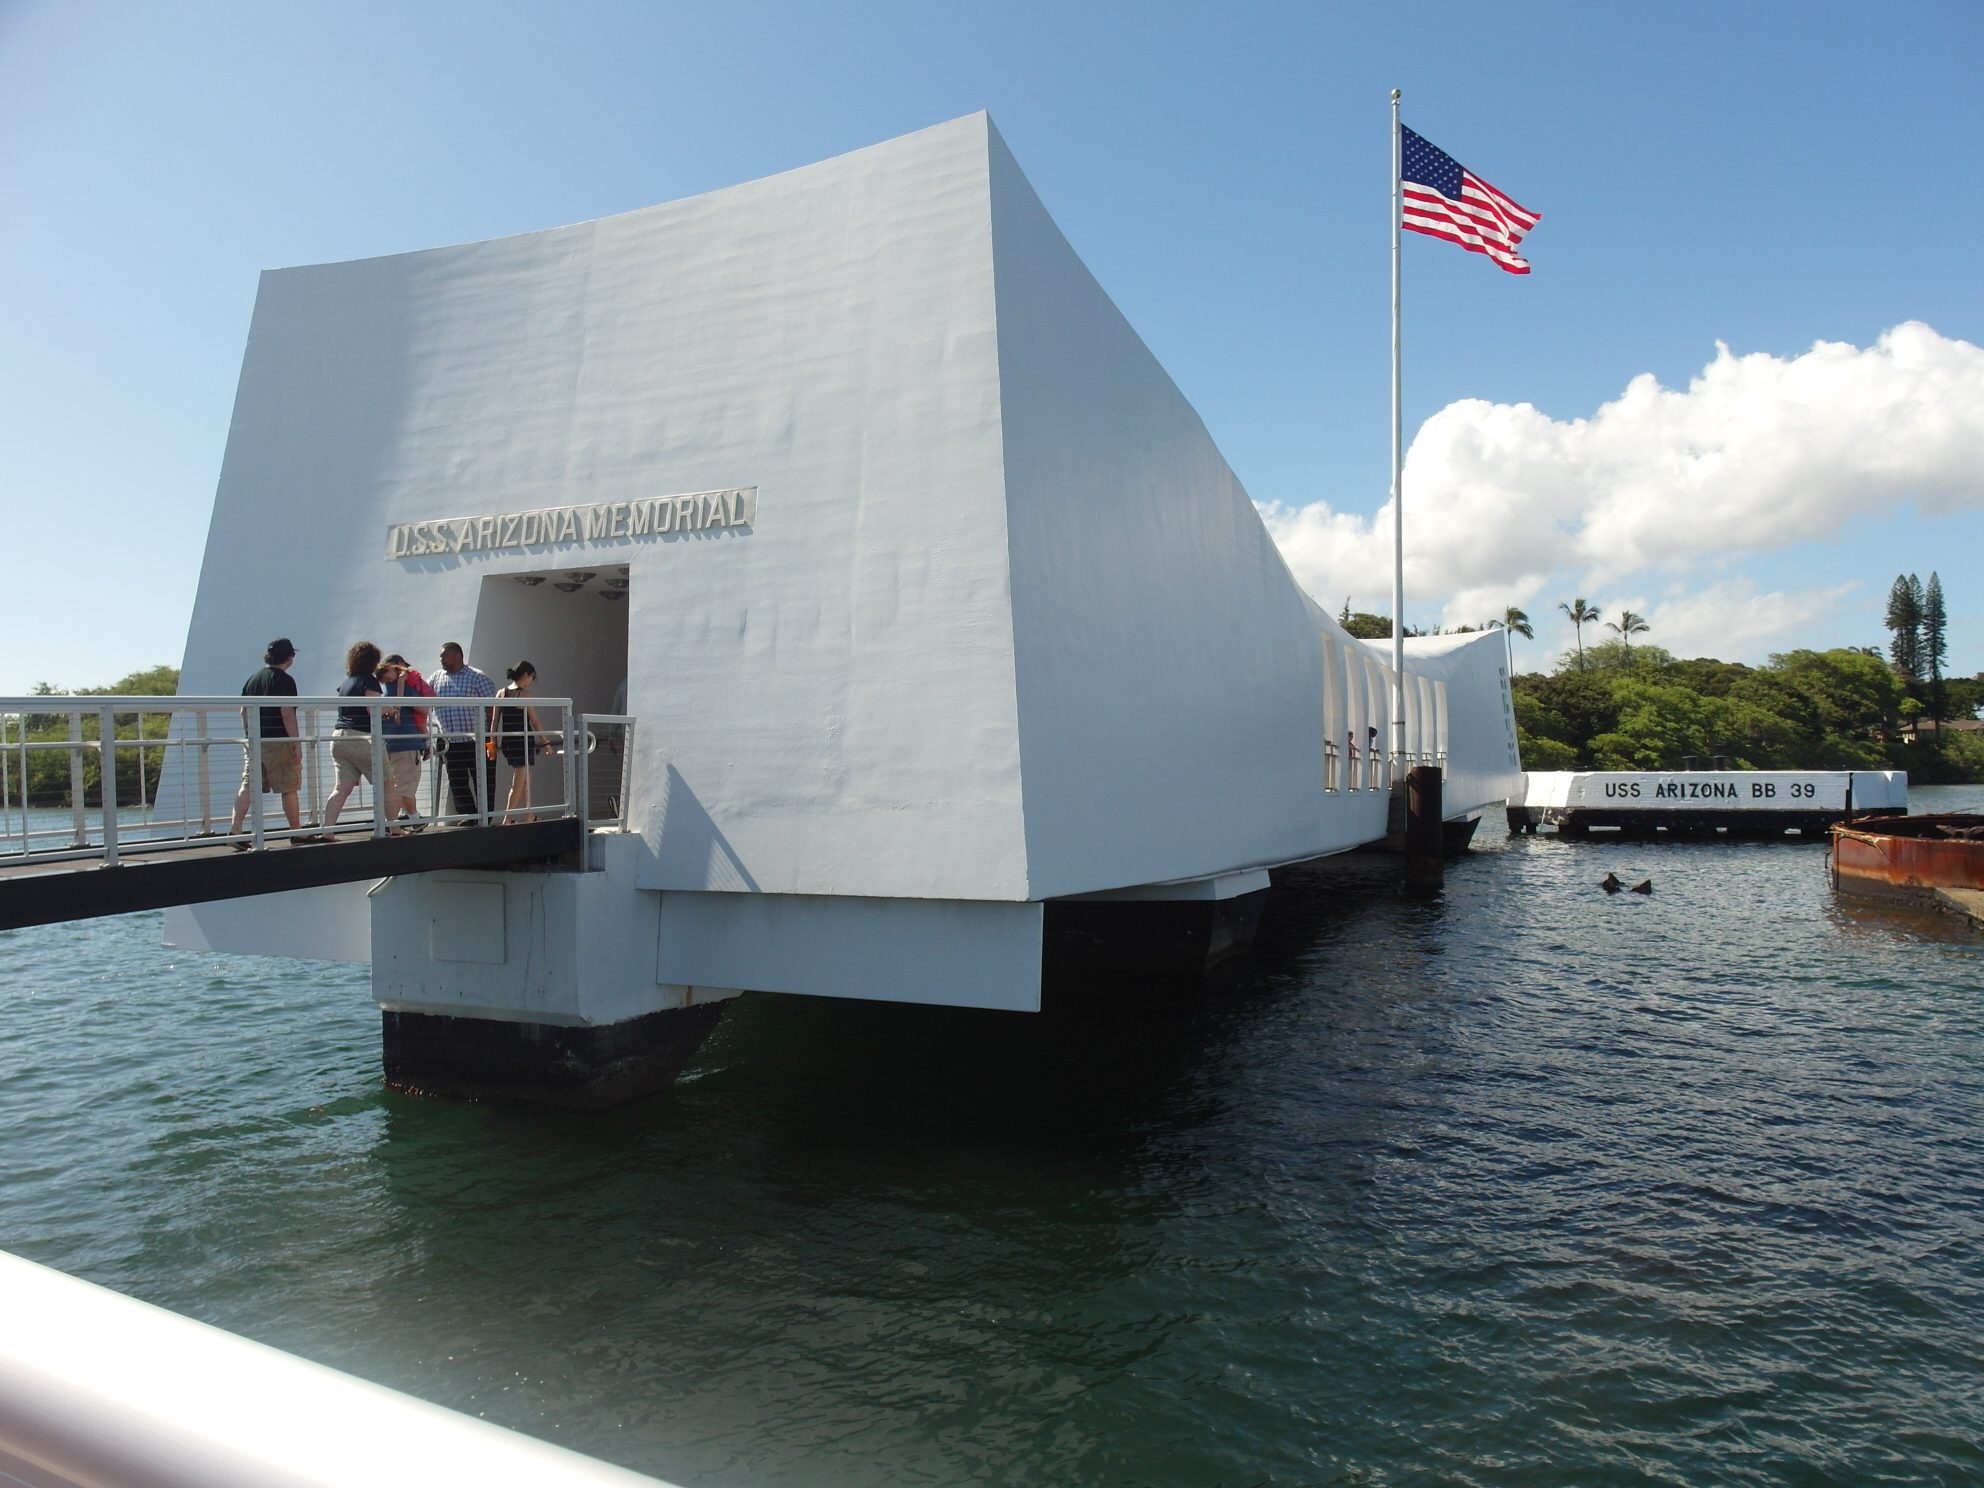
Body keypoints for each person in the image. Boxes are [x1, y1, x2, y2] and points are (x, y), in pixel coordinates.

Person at [227, 637, 307, 848]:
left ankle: (235, 830)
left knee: (249, 786)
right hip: (278, 741)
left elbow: (243, 710)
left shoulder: (253, 679)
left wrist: (250, 734)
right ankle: (296, 832)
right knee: (288, 786)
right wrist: (296, 742)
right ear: (289, 656)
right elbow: (287, 712)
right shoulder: (284, 680)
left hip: (255, 740)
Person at [320, 641, 404, 837]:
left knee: (341, 788)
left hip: (339, 737)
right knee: (387, 783)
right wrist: (390, 710)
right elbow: (371, 708)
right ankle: (395, 828)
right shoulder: (369, 681)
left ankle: (327, 830)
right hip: (361, 737)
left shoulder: (346, 682)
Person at [433, 641, 497, 823]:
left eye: (444, 655)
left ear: (457, 656)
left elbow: (492, 708)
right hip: (451, 742)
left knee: (483, 781)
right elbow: (425, 700)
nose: (441, 660)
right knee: (457, 782)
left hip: (477, 740)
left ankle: (485, 817)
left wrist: (492, 737)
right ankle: (469, 816)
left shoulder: (477, 677)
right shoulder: (436, 678)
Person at [377, 654, 430, 829]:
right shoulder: (404, 688)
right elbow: (423, 709)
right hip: (407, 743)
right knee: (404, 786)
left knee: (400, 783)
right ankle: (389, 825)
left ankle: (414, 819)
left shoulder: (386, 694)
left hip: (391, 744)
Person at [496, 661, 546, 822]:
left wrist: (492, 741)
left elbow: (495, 721)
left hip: (508, 742)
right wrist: (546, 742)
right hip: (522, 742)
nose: (532, 681)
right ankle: (507, 817)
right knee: (518, 782)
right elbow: (535, 721)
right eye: (532, 677)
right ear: (526, 675)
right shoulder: (524, 695)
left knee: (526, 779)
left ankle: (529, 813)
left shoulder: (500, 693)